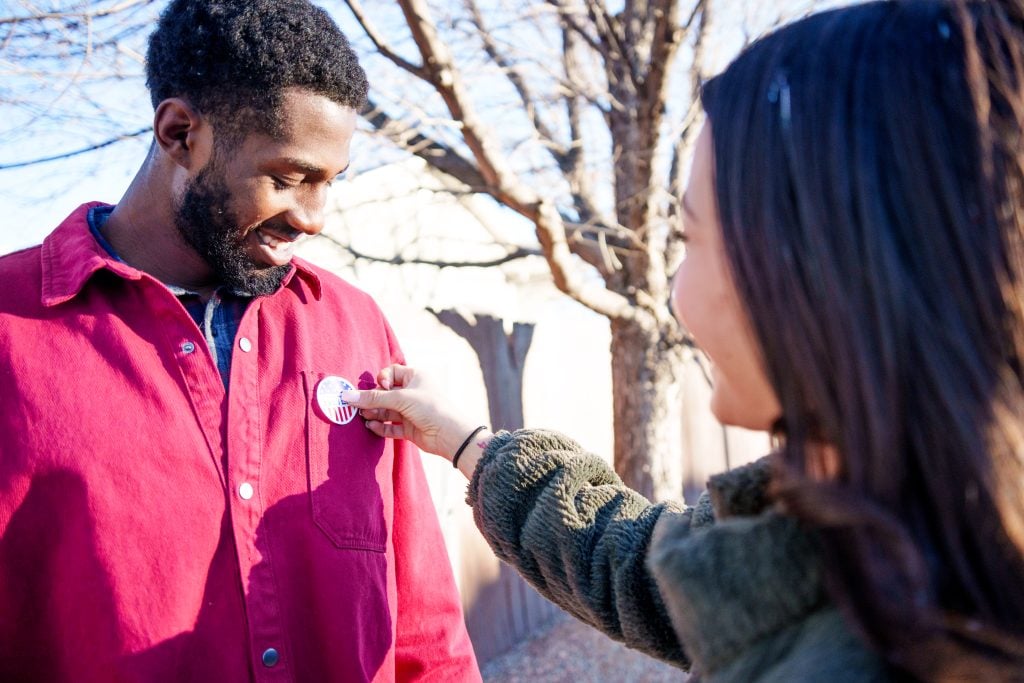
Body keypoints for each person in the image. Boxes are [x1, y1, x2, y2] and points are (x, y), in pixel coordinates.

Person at [344, 1, 1024, 680]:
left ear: (818, 272)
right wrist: (467, 442)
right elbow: (649, 567)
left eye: (691, 238)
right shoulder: (863, 535)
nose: (674, 290)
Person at [0, 1, 480, 681]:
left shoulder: (353, 325)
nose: (314, 217)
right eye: (287, 178)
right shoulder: (10, 329)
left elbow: (427, 627)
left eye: (328, 183)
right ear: (179, 133)